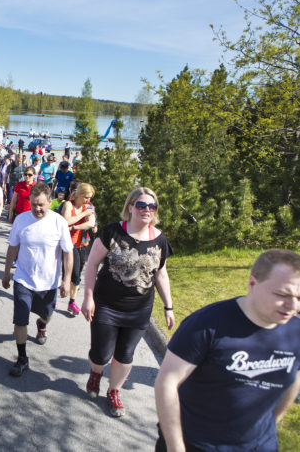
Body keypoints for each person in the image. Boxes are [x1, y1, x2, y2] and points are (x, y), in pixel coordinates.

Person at [154, 249, 300, 452]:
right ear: (252, 283)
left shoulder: (296, 332)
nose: (293, 305)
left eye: (299, 297)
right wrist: (175, 447)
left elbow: (293, 377)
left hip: (259, 446)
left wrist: (272, 423)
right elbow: (166, 383)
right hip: (195, 443)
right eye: (282, 294)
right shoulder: (207, 325)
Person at [81, 187, 174, 418]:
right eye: (141, 205)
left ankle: (114, 390)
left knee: (125, 355)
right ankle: (96, 373)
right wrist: (88, 298)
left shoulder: (160, 239)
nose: (147, 210)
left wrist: (168, 306)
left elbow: (160, 274)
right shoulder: (112, 232)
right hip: (106, 306)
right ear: (130, 207)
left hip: (138, 311)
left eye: (151, 206)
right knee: (101, 354)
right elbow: (92, 265)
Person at [2, 182, 73, 376]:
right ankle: (22, 358)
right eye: (34, 204)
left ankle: (42, 325)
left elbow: (68, 252)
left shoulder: (59, 222)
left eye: (41, 204)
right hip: (24, 279)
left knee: (47, 314)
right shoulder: (22, 220)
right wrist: (7, 272)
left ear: (50, 202)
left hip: (49, 282)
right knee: (20, 319)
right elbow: (13, 247)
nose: (37, 208)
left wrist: (66, 280)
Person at [60, 182, 96, 316]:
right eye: (86, 197)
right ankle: (53, 297)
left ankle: (72, 302)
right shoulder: (69, 204)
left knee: (75, 274)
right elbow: (65, 221)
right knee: (59, 271)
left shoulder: (88, 207)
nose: (89, 200)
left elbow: (91, 223)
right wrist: (82, 215)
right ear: (79, 195)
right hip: (61, 242)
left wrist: (75, 227)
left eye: (90, 198)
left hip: (74, 243)